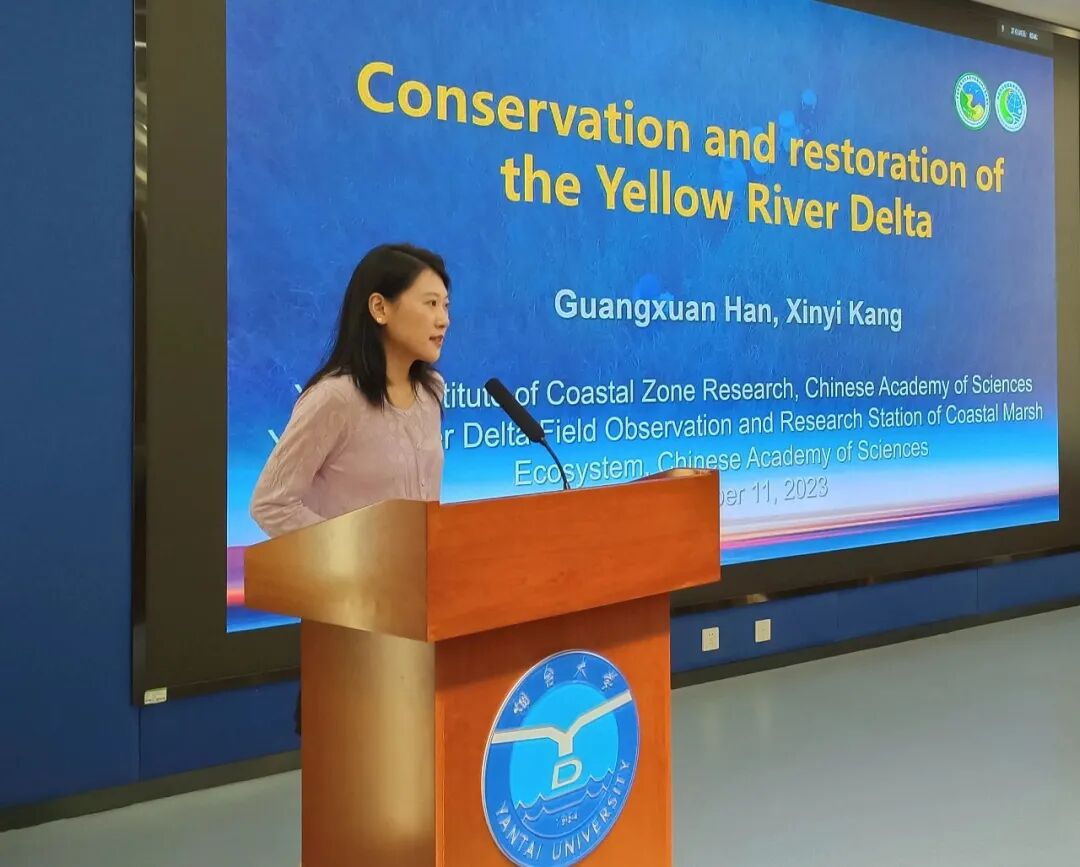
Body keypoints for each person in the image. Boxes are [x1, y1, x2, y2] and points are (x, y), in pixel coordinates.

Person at [249, 242, 450, 734]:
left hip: (419, 610)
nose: (443, 319)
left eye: (446, 305)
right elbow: (271, 503)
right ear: (379, 307)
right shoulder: (335, 399)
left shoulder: (432, 393)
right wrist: (356, 556)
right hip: (352, 616)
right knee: (355, 752)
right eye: (430, 303)